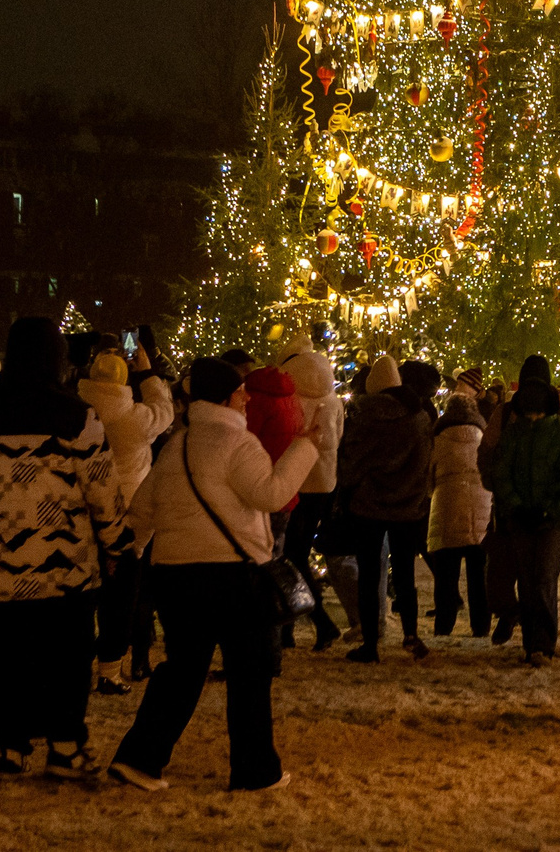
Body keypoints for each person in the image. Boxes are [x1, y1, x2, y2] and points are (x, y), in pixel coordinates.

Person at [104, 356, 319, 792]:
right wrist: (306, 447)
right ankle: (255, 769)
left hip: (176, 576)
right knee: (250, 674)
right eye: (241, 390)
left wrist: (133, 550)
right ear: (226, 396)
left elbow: (143, 508)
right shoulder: (239, 444)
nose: (246, 396)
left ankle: (140, 759)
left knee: (182, 670)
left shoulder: (177, 445)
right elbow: (272, 494)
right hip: (233, 576)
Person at [0, 316, 127, 777]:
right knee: (66, 657)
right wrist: (116, 544)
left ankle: (11, 744)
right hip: (61, 563)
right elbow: (102, 490)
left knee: (5, 657)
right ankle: (65, 745)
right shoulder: (74, 413)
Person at [81, 346, 175, 690]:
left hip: (82, 514)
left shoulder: (77, 414)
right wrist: (148, 374)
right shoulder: (134, 418)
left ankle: (77, 663)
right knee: (123, 598)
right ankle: (111, 668)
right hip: (128, 518)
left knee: (82, 598)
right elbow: (165, 411)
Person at [335, 355, 440, 663]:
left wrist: (353, 487)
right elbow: (424, 462)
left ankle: (370, 643)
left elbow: (351, 462)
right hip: (408, 507)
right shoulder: (419, 416)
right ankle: (411, 633)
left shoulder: (362, 416)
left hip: (368, 506)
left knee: (370, 575)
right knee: (405, 573)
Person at [483, 375, 560, 659]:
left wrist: (549, 509)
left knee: (544, 578)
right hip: (523, 517)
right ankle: (533, 643)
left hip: (553, 519)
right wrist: (518, 506)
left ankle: (544, 641)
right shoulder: (516, 434)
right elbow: (502, 473)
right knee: (528, 578)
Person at [272, 338, 346, 650]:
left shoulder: (287, 396)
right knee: (296, 555)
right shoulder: (334, 398)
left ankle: (319, 622)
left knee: (290, 557)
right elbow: (338, 437)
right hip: (324, 484)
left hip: (294, 481)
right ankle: (292, 627)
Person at [425, 393, 490, 638]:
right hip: (480, 509)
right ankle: (481, 626)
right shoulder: (483, 437)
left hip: (447, 507)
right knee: (478, 575)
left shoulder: (439, 439)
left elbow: (428, 480)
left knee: (445, 576)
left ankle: (444, 624)